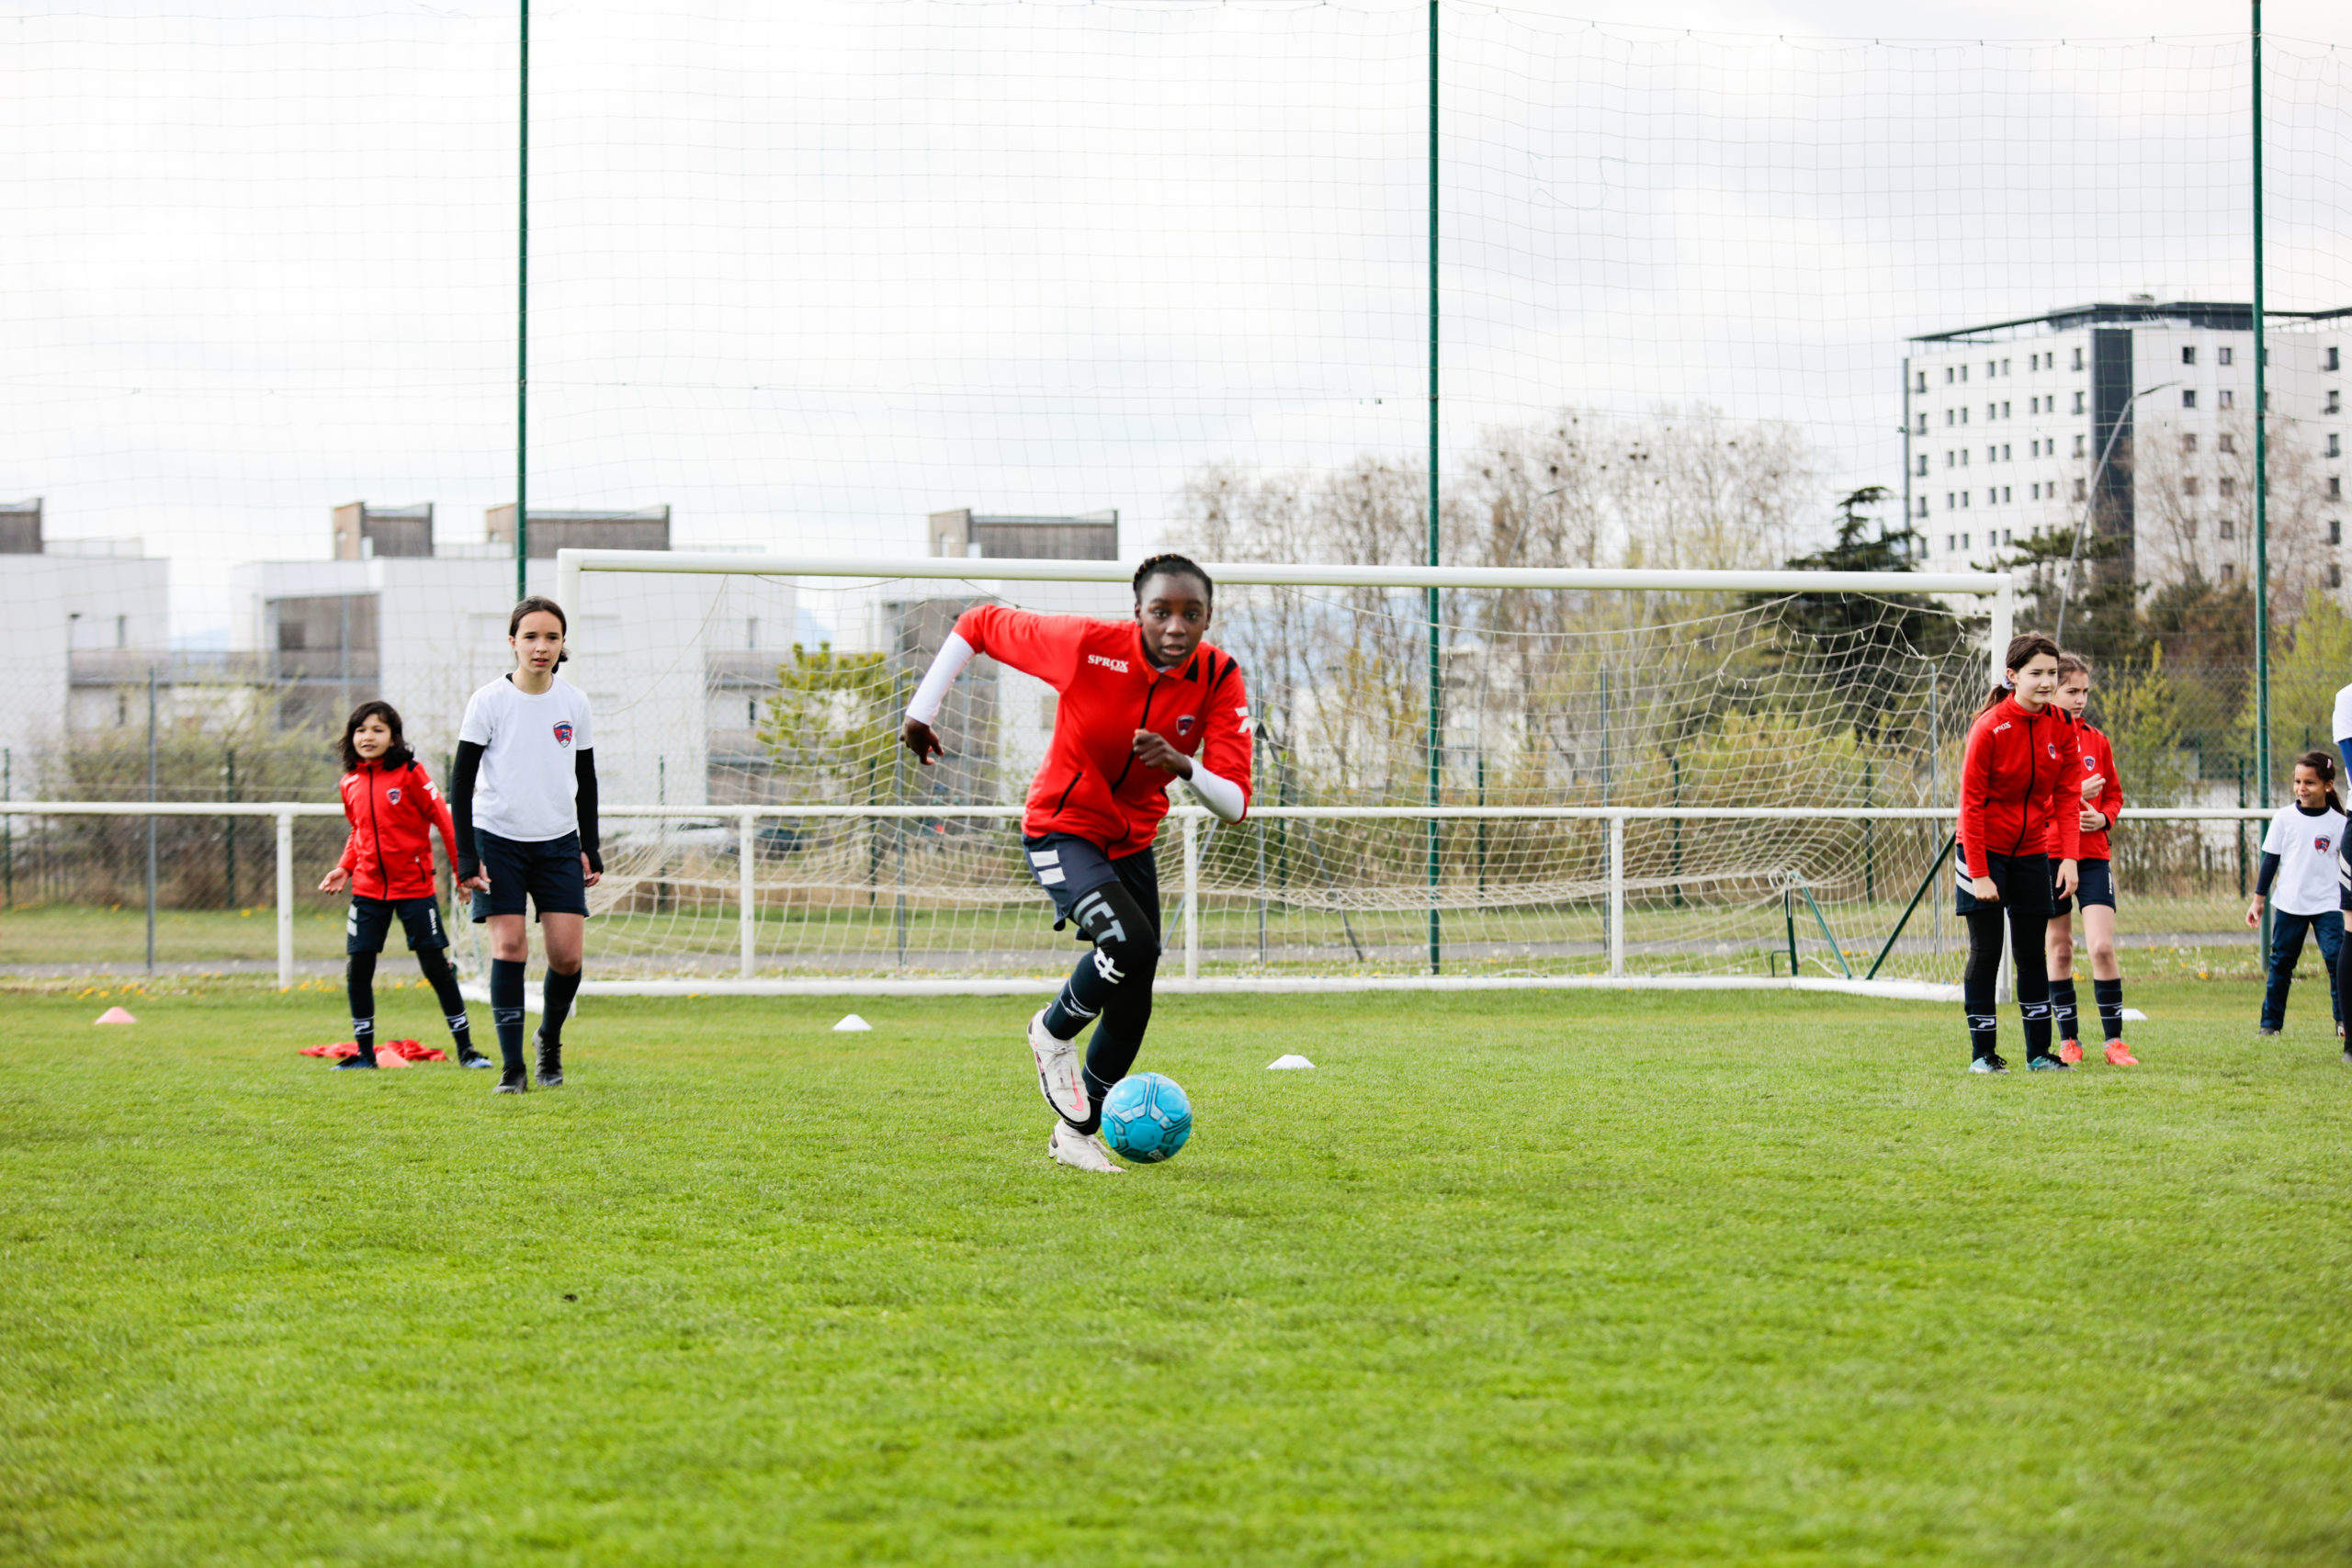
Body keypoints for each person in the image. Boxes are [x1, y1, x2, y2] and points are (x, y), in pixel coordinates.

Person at [900, 554, 1252, 1172]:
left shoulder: (1220, 676)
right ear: (1136, 612)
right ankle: (1052, 1030)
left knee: (1136, 988)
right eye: (1161, 611)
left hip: (1131, 839)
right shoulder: (1087, 646)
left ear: (1207, 619)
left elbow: (1235, 801)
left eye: (1190, 614)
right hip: (1061, 829)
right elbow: (979, 623)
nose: (1175, 626)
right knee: (1129, 942)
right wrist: (920, 712)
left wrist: (1181, 763)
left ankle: (1077, 1130)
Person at [449, 596, 601, 1095]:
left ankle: (548, 1042)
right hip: (498, 842)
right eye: (531, 637)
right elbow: (461, 781)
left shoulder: (574, 703)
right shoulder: (488, 701)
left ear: (562, 646)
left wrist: (590, 845)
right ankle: (512, 1069)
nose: (541, 647)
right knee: (509, 948)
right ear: (512, 642)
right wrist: (467, 857)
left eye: (552, 637)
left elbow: (586, 777)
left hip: (558, 844)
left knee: (567, 958)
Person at [319, 701, 488, 1070]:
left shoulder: (411, 773)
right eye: (361, 730)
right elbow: (358, 832)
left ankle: (467, 1050)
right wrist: (344, 867)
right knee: (359, 969)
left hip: (415, 890)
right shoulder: (349, 782)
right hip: (367, 891)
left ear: (393, 737)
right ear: (351, 737)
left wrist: (463, 872)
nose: (368, 737)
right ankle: (364, 1055)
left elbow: (444, 821)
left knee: (436, 969)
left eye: (378, 730)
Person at [1956, 632, 2087, 1074]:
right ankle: (1983, 1055)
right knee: (1987, 950)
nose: (2047, 682)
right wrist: (1979, 872)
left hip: (2034, 852)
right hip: (1982, 852)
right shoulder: (1990, 726)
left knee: (2032, 953)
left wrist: (2068, 857)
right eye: (2037, 674)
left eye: (2052, 673)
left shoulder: (2062, 725)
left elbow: (2069, 796)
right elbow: (1971, 804)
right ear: (2012, 676)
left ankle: (2038, 1054)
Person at [2043, 653, 2137, 1066]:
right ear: (2051, 688)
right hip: (2050, 854)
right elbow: (2031, 801)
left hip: (2093, 855)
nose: (2080, 699)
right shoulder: (2038, 740)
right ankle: (2069, 1041)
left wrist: (2103, 816)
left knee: (2101, 946)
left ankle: (2114, 1043)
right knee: (2060, 949)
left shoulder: (2097, 740)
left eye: (2085, 691)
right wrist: (2074, 793)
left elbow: (2115, 794)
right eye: (2072, 691)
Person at [2251, 752, 2349, 1039]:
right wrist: (2258, 899)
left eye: (2310, 782)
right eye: (2297, 781)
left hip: (2330, 904)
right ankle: (2270, 1025)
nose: (2301, 788)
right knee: (2281, 963)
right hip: (2290, 904)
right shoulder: (2284, 818)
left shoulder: (2340, 823)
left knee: (2336, 960)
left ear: (2328, 786)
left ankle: (2344, 1022)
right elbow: (2270, 861)